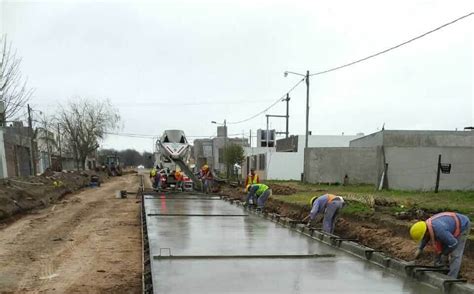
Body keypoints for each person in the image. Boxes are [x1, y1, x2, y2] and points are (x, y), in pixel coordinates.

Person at [410, 212, 471, 278]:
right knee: (440, 249)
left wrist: (444, 253)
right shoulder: (428, 226)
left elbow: (454, 243)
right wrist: (420, 248)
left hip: (463, 225)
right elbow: (426, 238)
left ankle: (451, 277)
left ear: (426, 231)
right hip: (448, 227)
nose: (424, 238)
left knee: (455, 254)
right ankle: (441, 269)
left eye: (423, 236)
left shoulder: (439, 231)